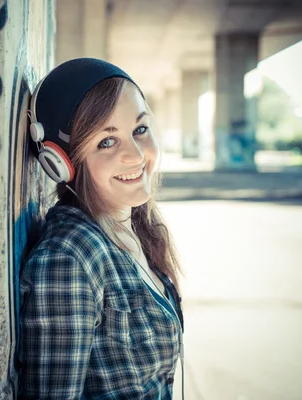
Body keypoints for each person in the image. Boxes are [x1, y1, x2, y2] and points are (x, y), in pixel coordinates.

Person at [17, 58, 184, 399]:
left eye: (140, 129)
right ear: (61, 163)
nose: (136, 155)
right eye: (107, 142)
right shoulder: (68, 261)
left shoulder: (134, 224)